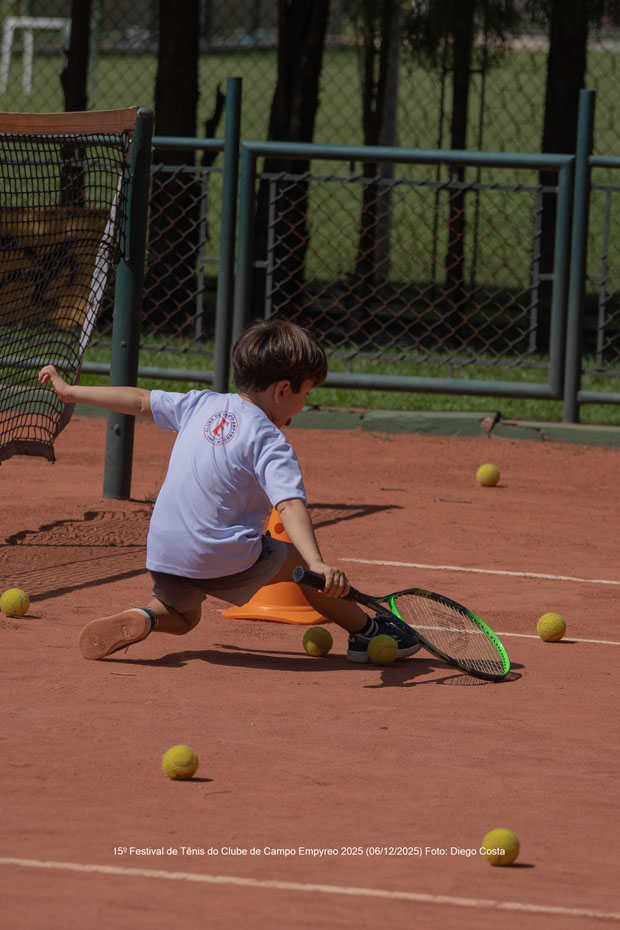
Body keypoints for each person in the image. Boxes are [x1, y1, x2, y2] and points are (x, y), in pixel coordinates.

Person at [38, 319, 420, 663]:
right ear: (283, 389)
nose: (304, 404)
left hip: (164, 549)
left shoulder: (201, 403)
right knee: (300, 569)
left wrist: (71, 391)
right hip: (222, 555)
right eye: (306, 394)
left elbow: (139, 401)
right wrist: (317, 563)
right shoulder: (270, 440)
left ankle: (147, 615)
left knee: (184, 617)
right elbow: (289, 504)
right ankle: (367, 632)